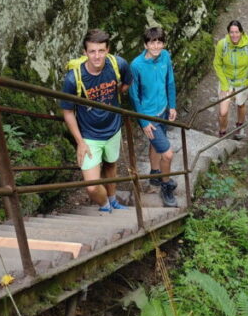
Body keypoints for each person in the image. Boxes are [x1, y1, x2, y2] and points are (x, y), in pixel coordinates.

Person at [60, 28, 132, 213]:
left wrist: (115, 93)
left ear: (108, 50)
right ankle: (106, 207)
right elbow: (68, 112)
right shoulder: (73, 79)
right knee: (92, 186)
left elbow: (126, 83)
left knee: (110, 164)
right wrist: (80, 142)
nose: (97, 56)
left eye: (101, 51)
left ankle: (113, 199)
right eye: (92, 51)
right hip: (90, 135)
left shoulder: (118, 64)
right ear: (85, 53)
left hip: (113, 127)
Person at [129, 26, 178, 208]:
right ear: (145, 44)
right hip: (149, 116)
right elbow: (134, 96)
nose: (156, 46)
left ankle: (155, 175)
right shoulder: (136, 65)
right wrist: (143, 122)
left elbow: (170, 81)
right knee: (168, 154)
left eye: (159, 42)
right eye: (152, 43)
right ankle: (166, 186)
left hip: (163, 110)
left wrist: (172, 105)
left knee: (155, 145)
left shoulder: (165, 56)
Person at [214, 20, 248, 139]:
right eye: (231, 32)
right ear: (228, 33)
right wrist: (224, 84)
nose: (234, 35)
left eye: (237, 32)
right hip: (227, 82)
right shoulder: (222, 45)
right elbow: (217, 64)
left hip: (242, 81)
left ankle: (239, 127)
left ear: (241, 32)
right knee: (223, 112)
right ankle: (222, 132)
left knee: (241, 105)